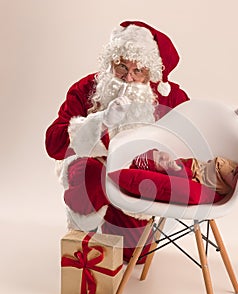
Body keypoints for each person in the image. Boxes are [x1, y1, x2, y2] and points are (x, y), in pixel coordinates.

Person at [45, 21, 190, 263]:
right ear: (110, 61)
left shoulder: (170, 97)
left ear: (151, 72)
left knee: (136, 256)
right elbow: (53, 143)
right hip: (92, 175)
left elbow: (190, 143)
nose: (128, 78)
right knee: (89, 172)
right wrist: (100, 122)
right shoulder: (87, 88)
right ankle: (84, 232)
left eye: (139, 71)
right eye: (121, 67)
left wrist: (232, 126)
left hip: (136, 183)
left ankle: (119, 227)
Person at [132, 149, 238, 196]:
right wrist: (177, 169)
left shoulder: (175, 162)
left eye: (160, 153)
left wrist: (206, 164)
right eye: (160, 160)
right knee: (219, 162)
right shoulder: (171, 172)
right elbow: (188, 177)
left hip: (206, 172)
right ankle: (232, 181)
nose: (164, 156)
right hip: (204, 179)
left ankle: (234, 172)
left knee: (218, 162)